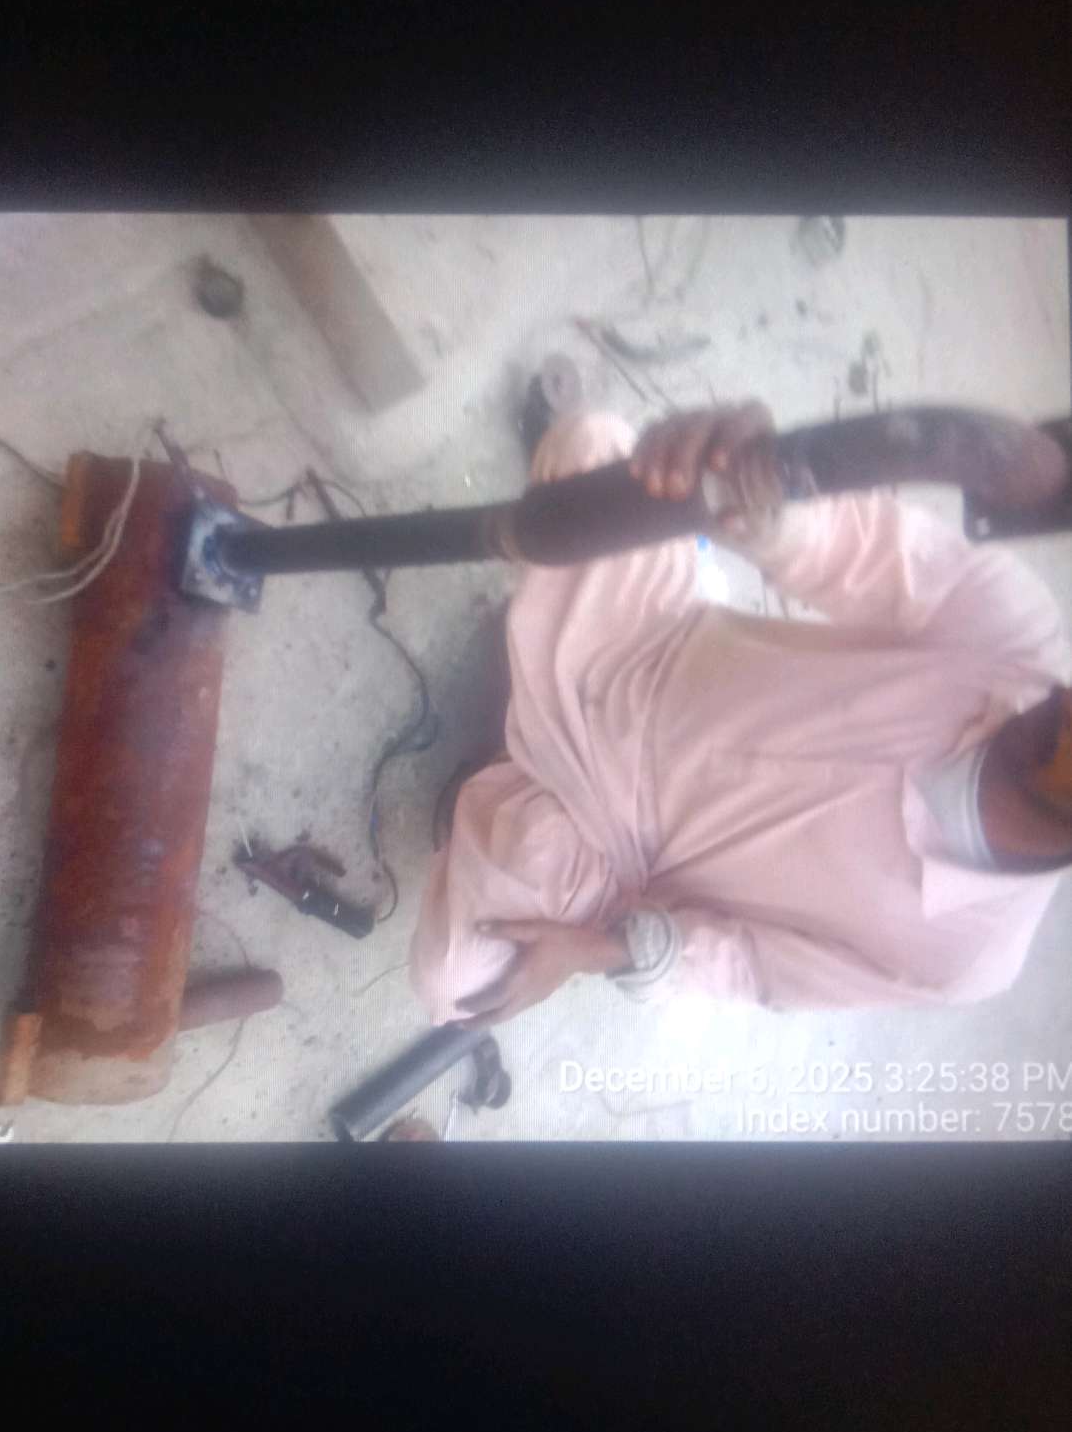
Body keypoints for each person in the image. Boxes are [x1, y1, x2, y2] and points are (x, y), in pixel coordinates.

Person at [408, 393, 1072, 1027]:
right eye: (1062, 707)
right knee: (591, 446)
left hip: (607, 840)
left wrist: (608, 951)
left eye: (1054, 744)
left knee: (457, 982)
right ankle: (526, 713)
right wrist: (757, 499)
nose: (1049, 705)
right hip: (648, 643)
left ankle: (514, 755)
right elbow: (853, 547)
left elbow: (757, 967)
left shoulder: (969, 957)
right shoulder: (1024, 643)